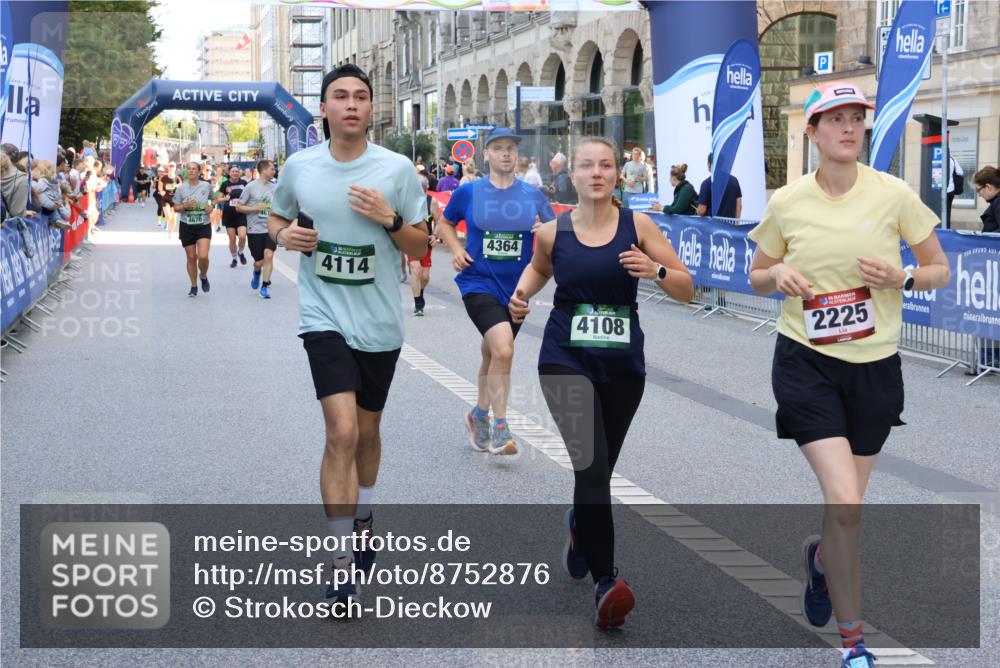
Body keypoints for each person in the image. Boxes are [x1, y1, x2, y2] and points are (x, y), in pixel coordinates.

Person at [747, 82, 951, 668]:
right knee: (845, 501)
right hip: (805, 362)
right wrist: (779, 273)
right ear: (811, 133)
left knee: (845, 511)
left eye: (855, 118)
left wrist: (904, 278)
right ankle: (854, 644)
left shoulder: (894, 194)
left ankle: (819, 562)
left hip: (876, 368)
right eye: (833, 119)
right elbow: (756, 273)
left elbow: (939, 267)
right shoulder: (789, 202)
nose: (848, 128)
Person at [509, 136, 693, 628]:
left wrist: (654, 270)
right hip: (564, 360)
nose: (596, 173)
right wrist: (521, 294)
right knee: (591, 468)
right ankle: (607, 581)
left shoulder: (639, 225)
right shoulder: (552, 232)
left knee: (599, 472)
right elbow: (538, 268)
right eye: (586, 165)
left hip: (622, 366)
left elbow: (687, 288)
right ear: (573, 175)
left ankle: (579, 528)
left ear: (617, 174)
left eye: (605, 165)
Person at [266, 64, 428, 607]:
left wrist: (388, 219)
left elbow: (418, 247)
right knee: (340, 433)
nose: (352, 104)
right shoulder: (301, 166)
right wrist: (285, 234)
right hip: (323, 316)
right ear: (325, 108)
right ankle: (339, 561)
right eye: (341, 96)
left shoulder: (397, 169)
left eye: (361, 96)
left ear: (371, 108)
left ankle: (366, 511)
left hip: (379, 322)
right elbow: (274, 219)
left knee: (366, 433)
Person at [437, 127, 556, 456]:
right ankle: (500, 427)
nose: (506, 153)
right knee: (503, 350)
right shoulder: (470, 192)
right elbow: (445, 222)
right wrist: (455, 249)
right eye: (499, 148)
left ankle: (478, 416)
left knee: (492, 354)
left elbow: (556, 235)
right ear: (486, 154)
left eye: (511, 149)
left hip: (518, 287)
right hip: (478, 282)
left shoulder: (533, 195)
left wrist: (544, 230)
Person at [172, 161, 214, 297]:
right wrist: (185, 205)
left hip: (203, 225)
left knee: (203, 256)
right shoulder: (181, 188)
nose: (191, 171)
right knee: (191, 257)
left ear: (199, 171)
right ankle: (194, 286)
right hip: (187, 226)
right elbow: (176, 208)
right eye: (189, 169)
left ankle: (203, 275)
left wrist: (211, 206)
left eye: (194, 169)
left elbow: (213, 199)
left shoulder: (206, 186)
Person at [236, 160, 278, 299]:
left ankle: (264, 287)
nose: (274, 171)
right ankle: (256, 272)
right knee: (259, 262)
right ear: (264, 170)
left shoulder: (275, 187)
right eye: (272, 169)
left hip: (271, 228)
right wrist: (255, 208)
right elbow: (239, 207)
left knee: (269, 255)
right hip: (255, 229)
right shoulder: (250, 187)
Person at [409, 200, 438, 316]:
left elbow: (439, 221)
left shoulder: (432, 202)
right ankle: (418, 305)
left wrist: (435, 235)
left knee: (425, 277)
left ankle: (420, 292)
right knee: (416, 270)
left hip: (426, 242)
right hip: (411, 241)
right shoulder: (407, 200)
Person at [216, 165, 249, 267]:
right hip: (229, 215)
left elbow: (250, 196)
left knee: (242, 236)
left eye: (236, 171)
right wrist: (225, 198)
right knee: (232, 239)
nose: (235, 173)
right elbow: (218, 199)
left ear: (239, 173)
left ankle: (241, 252)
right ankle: (234, 258)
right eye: (233, 171)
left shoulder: (244, 183)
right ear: (229, 173)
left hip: (241, 213)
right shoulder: (225, 184)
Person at [697, 152, 743, 218]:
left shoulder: (706, 184)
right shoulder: (734, 181)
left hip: (713, 226)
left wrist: (697, 209)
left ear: (709, 164)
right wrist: (736, 223)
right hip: (730, 225)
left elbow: (701, 211)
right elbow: (739, 206)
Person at [973, 166, 1000, 233]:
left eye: (978, 190)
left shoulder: (998, 202)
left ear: (988, 187)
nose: (979, 195)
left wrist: (984, 238)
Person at [158, 162, 181, 234]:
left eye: (173, 166)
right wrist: (161, 192)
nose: (171, 167)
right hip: (166, 199)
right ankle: (166, 221)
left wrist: (176, 186)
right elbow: (160, 187)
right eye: (170, 166)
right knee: (168, 215)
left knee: (174, 219)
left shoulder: (177, 178)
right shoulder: (163, 177)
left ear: (175, 168)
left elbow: (181, 187)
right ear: (168, 167)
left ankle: (170, 234)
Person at [946, 154, 964, 225]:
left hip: (938, 191)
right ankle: (946, 228)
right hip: (950, 190)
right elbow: (960, 172)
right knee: (947, 212)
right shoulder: (952, 159)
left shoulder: (936, 158)